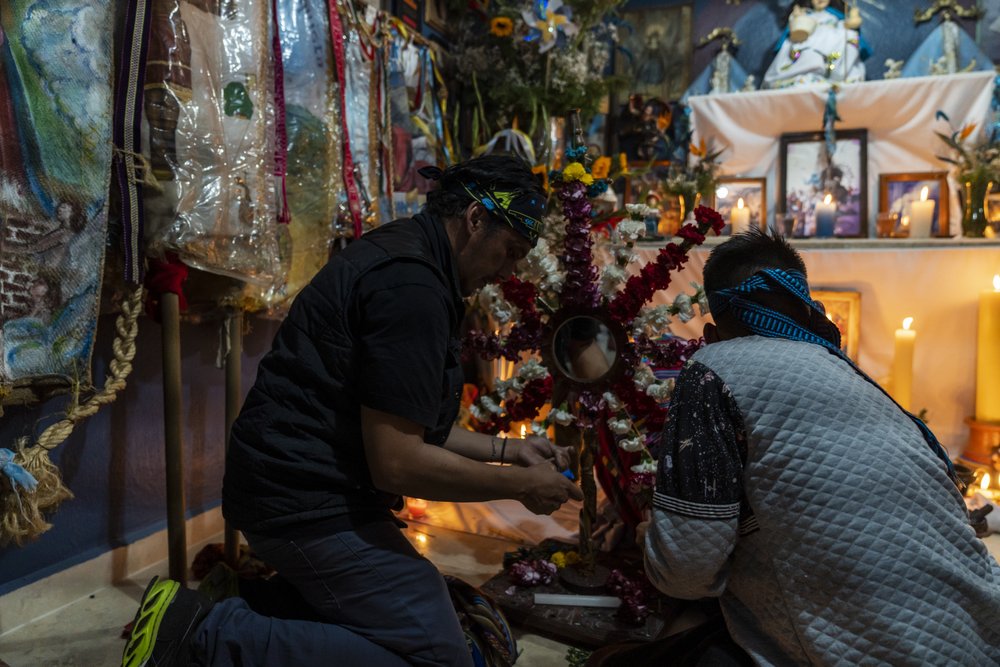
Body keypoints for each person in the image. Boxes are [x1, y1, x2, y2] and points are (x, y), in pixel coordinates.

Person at [122, 155, 583, 667]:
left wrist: (509, 450)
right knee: (441, 657)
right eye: (510, 251)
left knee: (430, 622)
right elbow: (398, 462)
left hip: (304, 489)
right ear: (475, 220)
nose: (508, 271)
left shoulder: (414, 257)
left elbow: (412, 423)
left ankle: (255, 603)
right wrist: (521, 487)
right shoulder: (413, 288)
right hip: (299, 501)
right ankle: (200, 634)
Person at [642, 228, 1000, 664]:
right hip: (979, 634)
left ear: (713, 330)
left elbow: (688, 570)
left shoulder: (712, 369)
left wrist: (653, 540)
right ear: (805, 305)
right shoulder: (850, 374)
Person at [763, 0, 870, 89]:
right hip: (810, 41)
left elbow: (850, 25)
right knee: (809, 53)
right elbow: (796, 25)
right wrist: (797, 15)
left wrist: (853, 19)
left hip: (833, 42)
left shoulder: (834, 16)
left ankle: (839, 73)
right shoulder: (807, 14)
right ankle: (808, 73)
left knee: (850, 36)